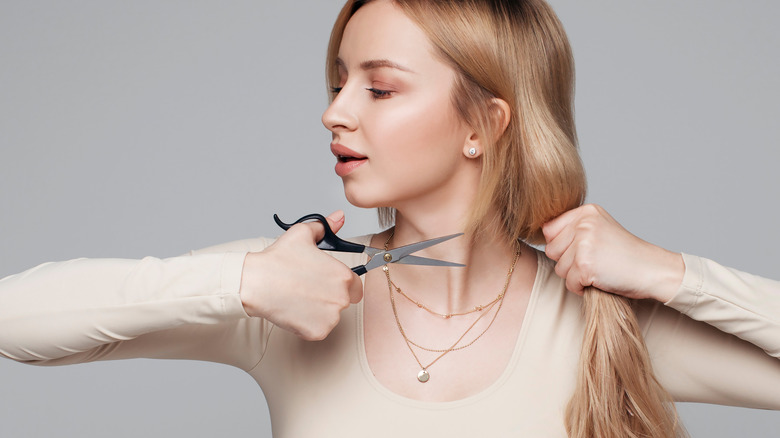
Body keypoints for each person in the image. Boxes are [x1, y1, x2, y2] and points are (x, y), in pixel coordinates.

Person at [1, 0, 778, 437]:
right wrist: (240, 281)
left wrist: (672, 274)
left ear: (484, 123)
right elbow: (13, 322)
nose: (332, 112)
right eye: (339, 82)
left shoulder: (604, 321)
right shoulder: (290, 291)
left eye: (378, 88)